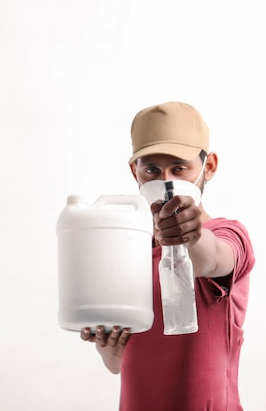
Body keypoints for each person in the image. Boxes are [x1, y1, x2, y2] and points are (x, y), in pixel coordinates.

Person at [80, 101, 256, 411]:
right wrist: (111, 352)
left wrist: (191, 236)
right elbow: (123, 364)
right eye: (151, 169)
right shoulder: (130, 253)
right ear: (135, 171)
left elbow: (212, 259)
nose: (165, 181)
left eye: (179, 167)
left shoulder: (230, 235)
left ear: (209, 166)